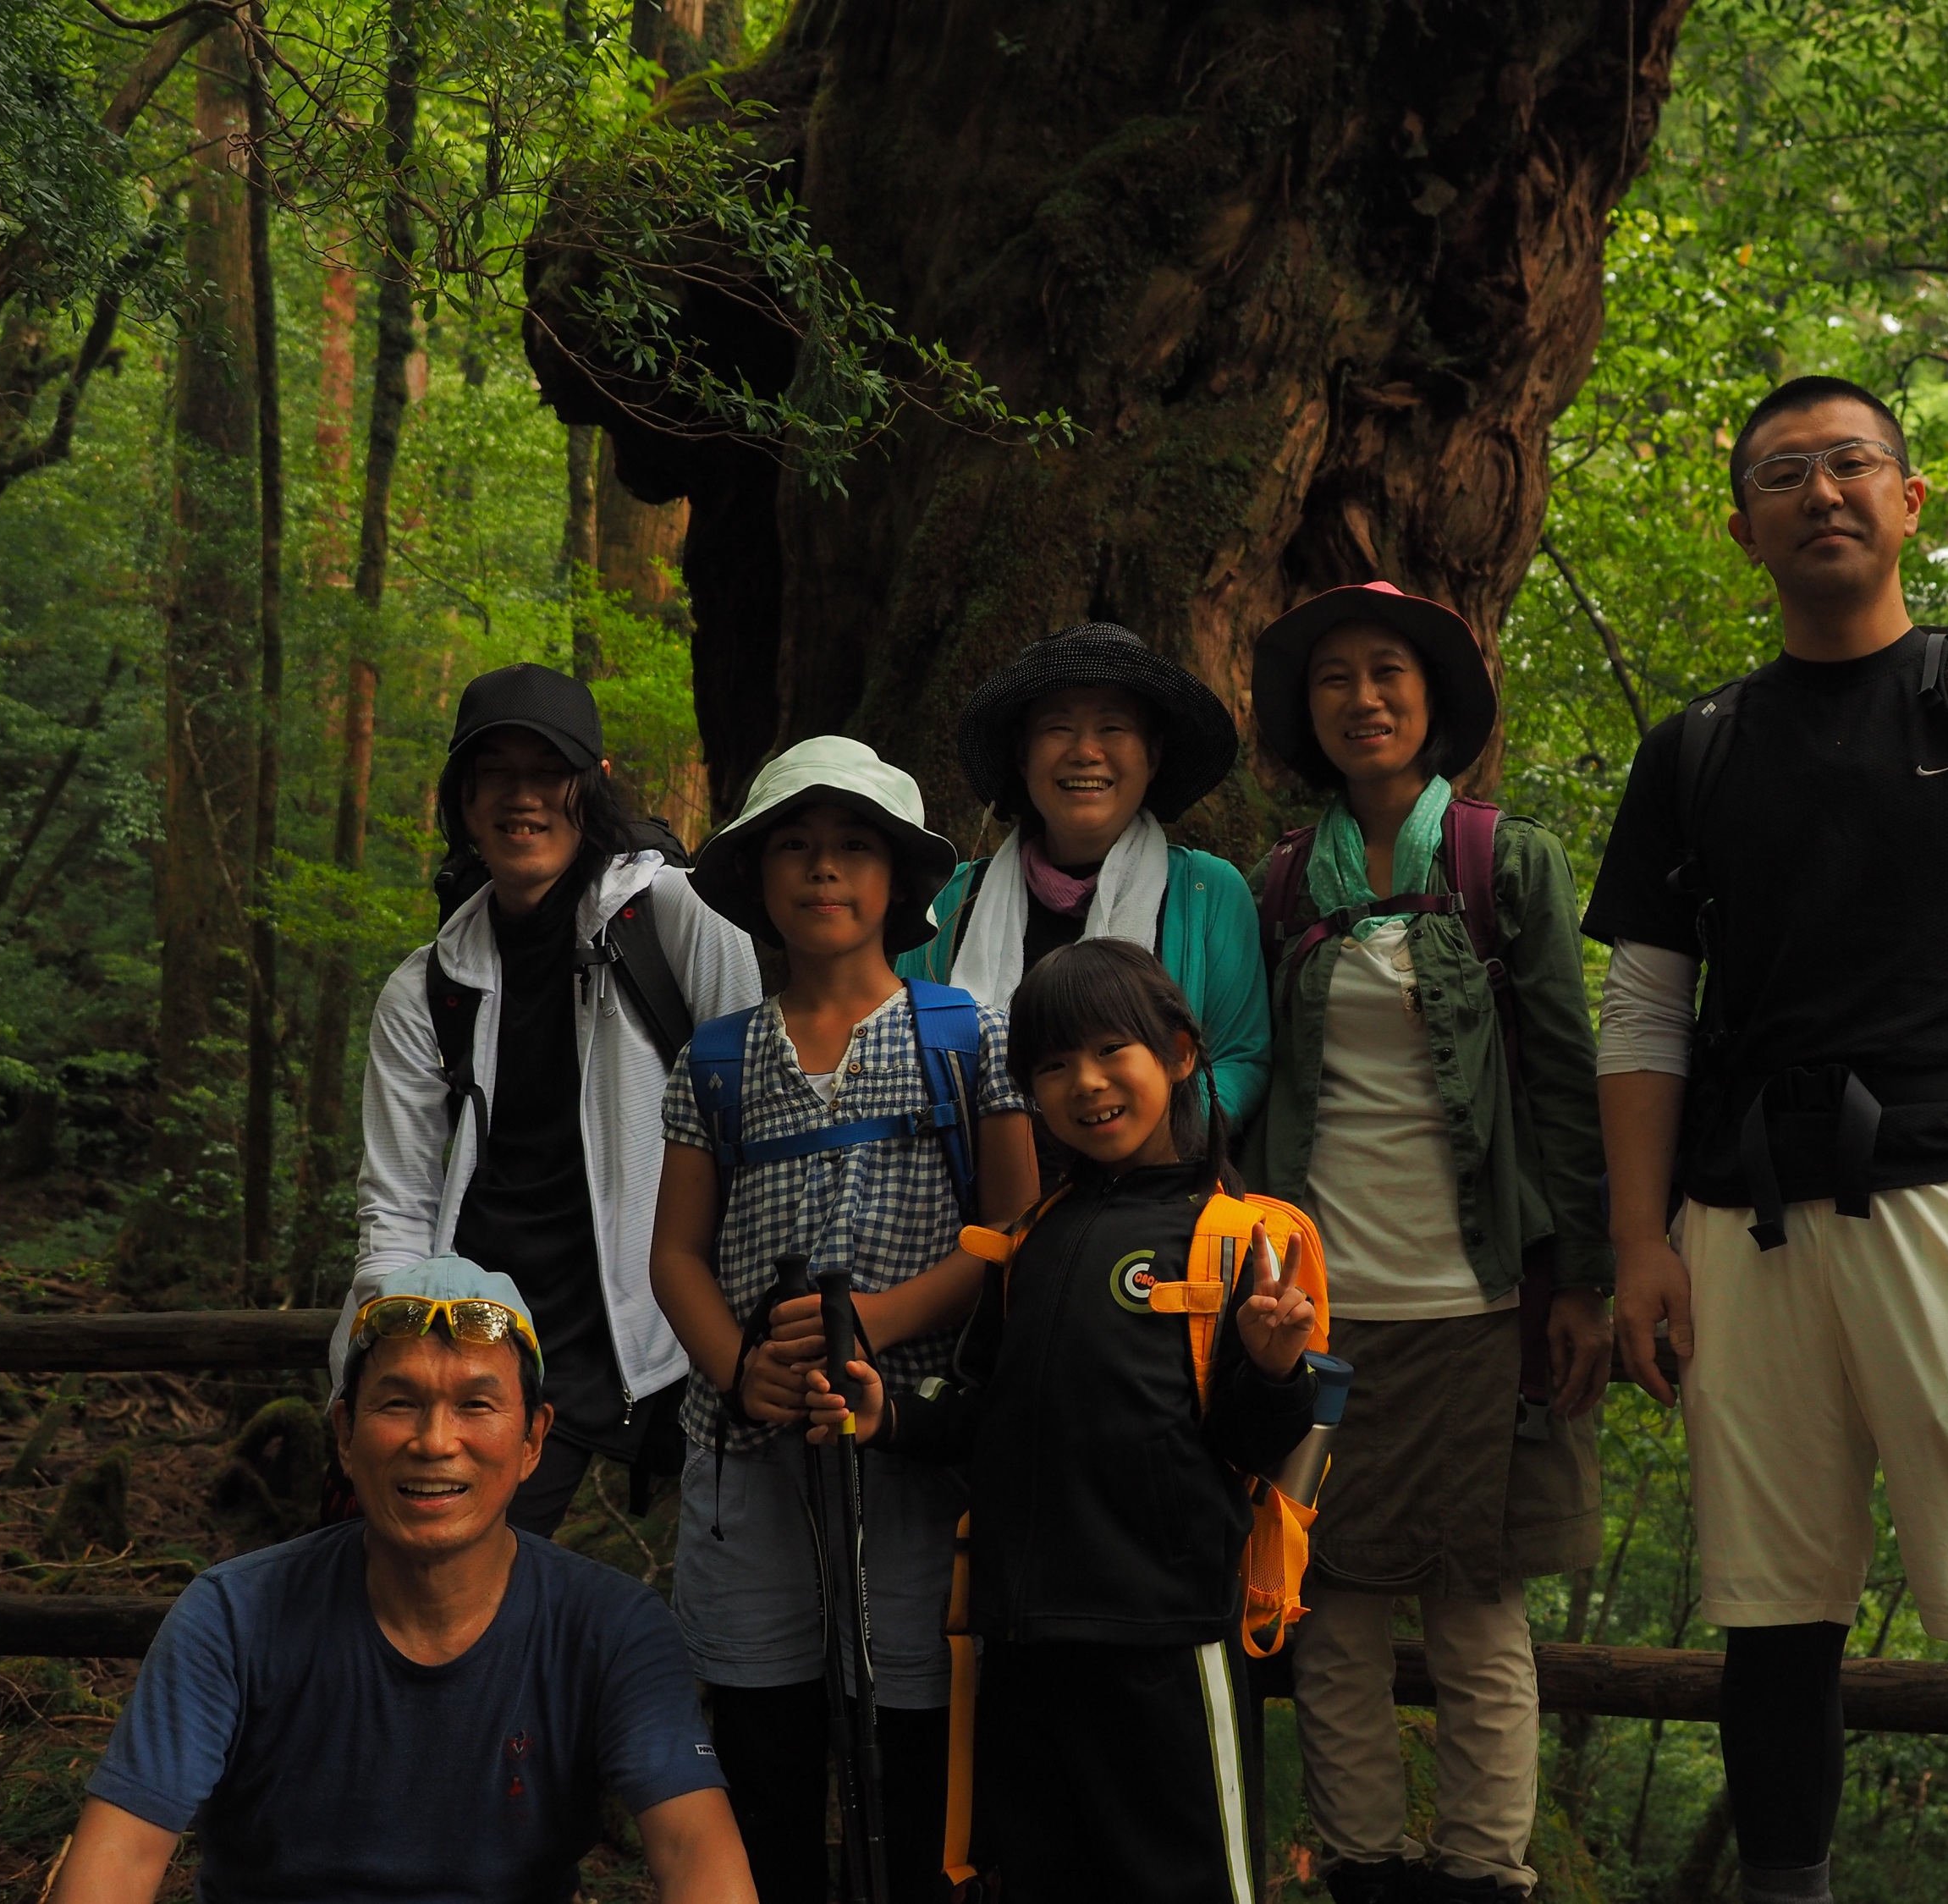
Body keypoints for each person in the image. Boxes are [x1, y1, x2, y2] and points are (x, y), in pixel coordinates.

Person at [1587, 375, 1948, 1904]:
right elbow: (1643, 1015)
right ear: (1744, 530)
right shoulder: (1697, 750)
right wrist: (1640, 1241)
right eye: (1784, 474)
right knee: (1772, 1620)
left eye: (1852, 463)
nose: (1822, 491)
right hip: (1746, 1221)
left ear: (1910, 500)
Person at [806, 937, 1320, 1904]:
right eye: (1052, 1065)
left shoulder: (1236, 1236)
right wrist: (891, 1419)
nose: (1085, 1083)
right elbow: (986, 1413)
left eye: (1110, 1051)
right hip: (1025, 1649)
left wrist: (1272, 1366)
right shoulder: (1032, 1238)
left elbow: (1259, 1452)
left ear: (1178, 1053)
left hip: (1167, 1643)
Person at [1244, 581, 1612, 1904]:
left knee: (1476, 1606)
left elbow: (1565, 1077)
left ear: (1433, 696)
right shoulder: (1281, 881)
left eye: (1386, 671)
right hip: (1322, 1305)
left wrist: (1583, 1280)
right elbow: (1256, 1088)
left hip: (1479, 1305)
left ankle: (1482, 1873)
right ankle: (1364, 1868)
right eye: (1333, 677)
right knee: (1329, 1608)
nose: (1362, 698)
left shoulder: (1504, 861)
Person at [650, 735, 1040, 1904]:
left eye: (854, 847)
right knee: (763, 1748)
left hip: (917, 1455)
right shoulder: (715, 1061)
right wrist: (740, 1370)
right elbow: (675, 1255)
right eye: (797, 848)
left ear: (899, 880)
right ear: (757, 878)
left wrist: (870, 1322)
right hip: (752, 1461)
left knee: (917, 1751)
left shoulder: (970, 1035)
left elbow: (1015, 1229)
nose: (824, 870)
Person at [52, 1258, 753, 1904]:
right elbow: (117, 1861)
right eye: (398, 1404)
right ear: (345, 1435)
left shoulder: (611, 1628)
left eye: (476, 1405)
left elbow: (696, 1851)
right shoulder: (234, 1618)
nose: (435, 1441)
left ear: (533, 1439)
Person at [348, 663, 762, 1533]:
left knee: (715, 1593)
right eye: (496, 774)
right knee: (436, 1582)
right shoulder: (427, 988)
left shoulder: (676, 918)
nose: (523, 798)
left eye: (549, 772)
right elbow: (398, 1206)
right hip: (488, 1340)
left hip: (665, 1332)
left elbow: (757, 1120)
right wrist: (381, 1368)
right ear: (464, 799)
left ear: (595, 784)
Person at [900, 620, 1272, 1156]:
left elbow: (1242, 1057)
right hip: (972, 1189)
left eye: (1113, 728)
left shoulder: (1208, 892)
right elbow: (905, 1050)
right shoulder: (953, 904)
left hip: (1159, 1191)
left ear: (1153, 755)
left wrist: (1148, 1146)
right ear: (1023, 756)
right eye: (1059, 728)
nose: (1086, 751)